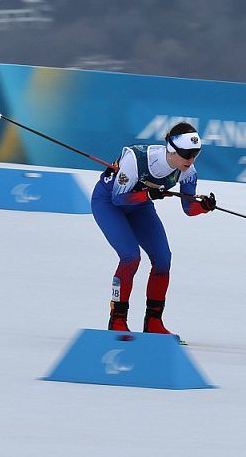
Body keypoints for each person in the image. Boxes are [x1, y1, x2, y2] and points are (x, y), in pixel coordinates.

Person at [91, 122, 216, 335]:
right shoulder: (135, 159)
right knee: (131, 257)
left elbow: (189, 208)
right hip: (109, 203)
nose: (191, 160)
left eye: (196, 154)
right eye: (187, 154)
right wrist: (148, 194)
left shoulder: (187, 170)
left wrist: (204, 207)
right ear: (171, 149)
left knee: (163, 259)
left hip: (140, 206)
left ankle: (154, 322)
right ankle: (117, 320)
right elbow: (119, 199)